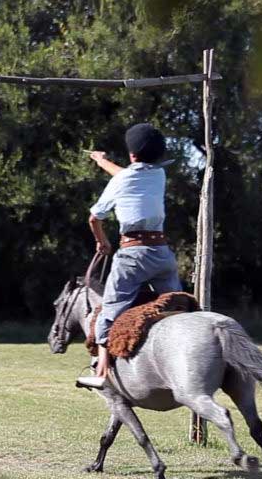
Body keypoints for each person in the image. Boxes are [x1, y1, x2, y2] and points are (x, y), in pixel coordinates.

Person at [75, 123, 182, 389]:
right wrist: (102, 161)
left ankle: (101, 374)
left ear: (132, 154)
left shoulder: (121, 181)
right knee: (178, 309)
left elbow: (94, 218)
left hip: (132, 256)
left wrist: (103, 242)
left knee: (108, 312)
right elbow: (125, 176)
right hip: (162, 255)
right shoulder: (158, 175)